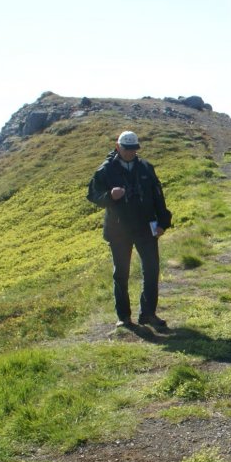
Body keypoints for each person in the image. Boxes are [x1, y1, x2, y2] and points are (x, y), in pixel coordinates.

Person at [87, 130, 173, 328]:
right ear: (118, 147)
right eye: (127, 149)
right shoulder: (105, 170)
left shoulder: (146, 167)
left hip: (146, 227)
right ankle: (124, 317)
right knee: (121, 273)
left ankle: (148, 314)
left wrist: (162, 222)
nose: (130, 152)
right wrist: (110, 196)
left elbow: (158, 196)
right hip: (118, 231)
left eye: (134, 149)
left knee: (151, 270)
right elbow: (93, 195)